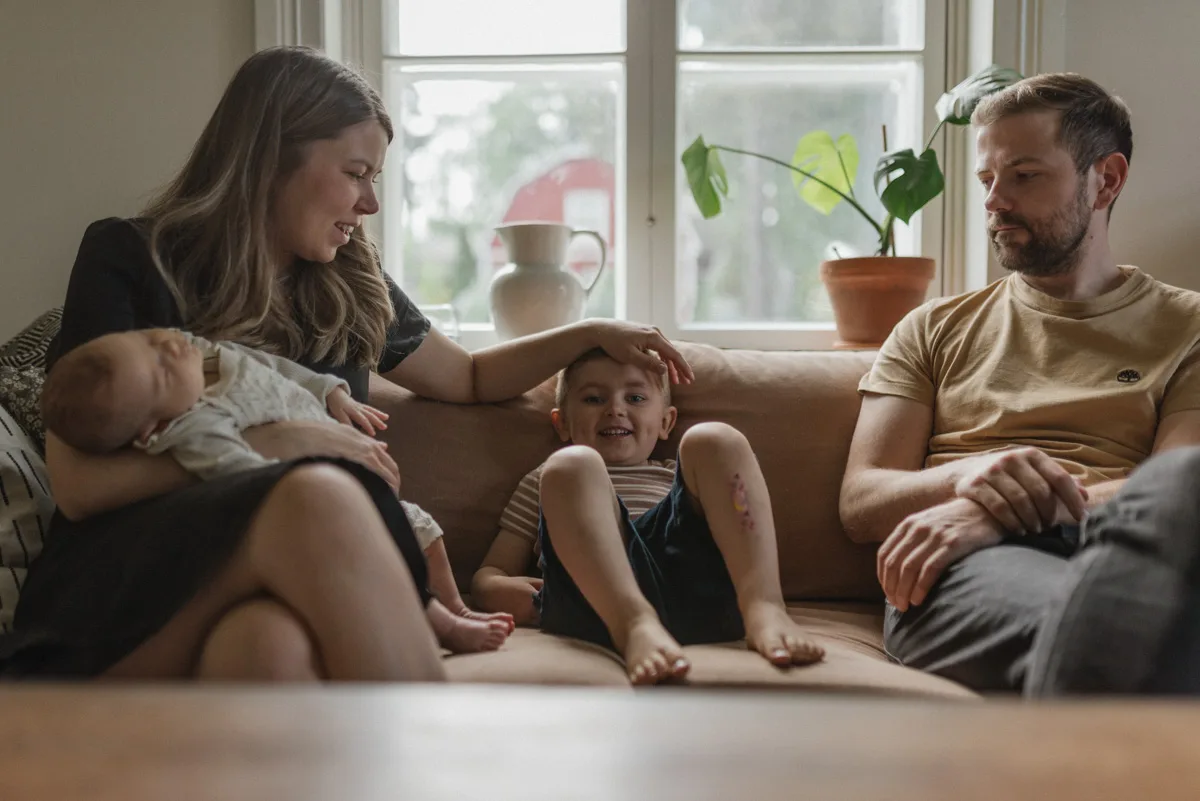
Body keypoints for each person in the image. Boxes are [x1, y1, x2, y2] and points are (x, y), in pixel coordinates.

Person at [0, 45, 692, 682]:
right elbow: (80, 483)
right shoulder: (128, 255)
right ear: (272, 158)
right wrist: (278, 444)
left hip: (261, 590)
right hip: (131, 583)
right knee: (316, 492)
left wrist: (589, 332)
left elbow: (470, 377)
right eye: (356, 173)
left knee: (268, 646)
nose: (370, 202)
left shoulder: (345, 286)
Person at [839, 72, 1200, 695]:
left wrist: (1004, 515)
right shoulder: (933, 328)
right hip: (963, 567)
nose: (994, 200)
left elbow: (1177, 494)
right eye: (987, 180)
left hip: (1125, 557)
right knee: (1125, 627)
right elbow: (862, 502)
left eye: (1024, 176)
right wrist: (968, 479)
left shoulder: (1188, 327)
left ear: (1105, 180)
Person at [39, 327, 514, 654]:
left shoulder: (211, 359)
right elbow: (242, 476)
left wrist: (330, 390)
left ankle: (455, 607)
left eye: (148, 340)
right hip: (321, 498)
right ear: (152, 429)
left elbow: (272, 366)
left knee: (424, 532)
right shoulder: (197, 428)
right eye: (162, 369)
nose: (170, 344)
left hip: (343, 480)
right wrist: (289, 452)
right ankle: (437, 621)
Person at [471, 348, 824, 685]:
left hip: (692, 589)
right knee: (571, 464)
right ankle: (635, 626)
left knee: (714, 438)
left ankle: (763, 606)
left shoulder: (679, 476)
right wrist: (510, 594)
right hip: (595, 603)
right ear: (561, 422)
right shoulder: (546, 479)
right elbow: (489, 575)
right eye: (594, 399)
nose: (615, 410)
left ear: (665, 422)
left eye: (635, 399)